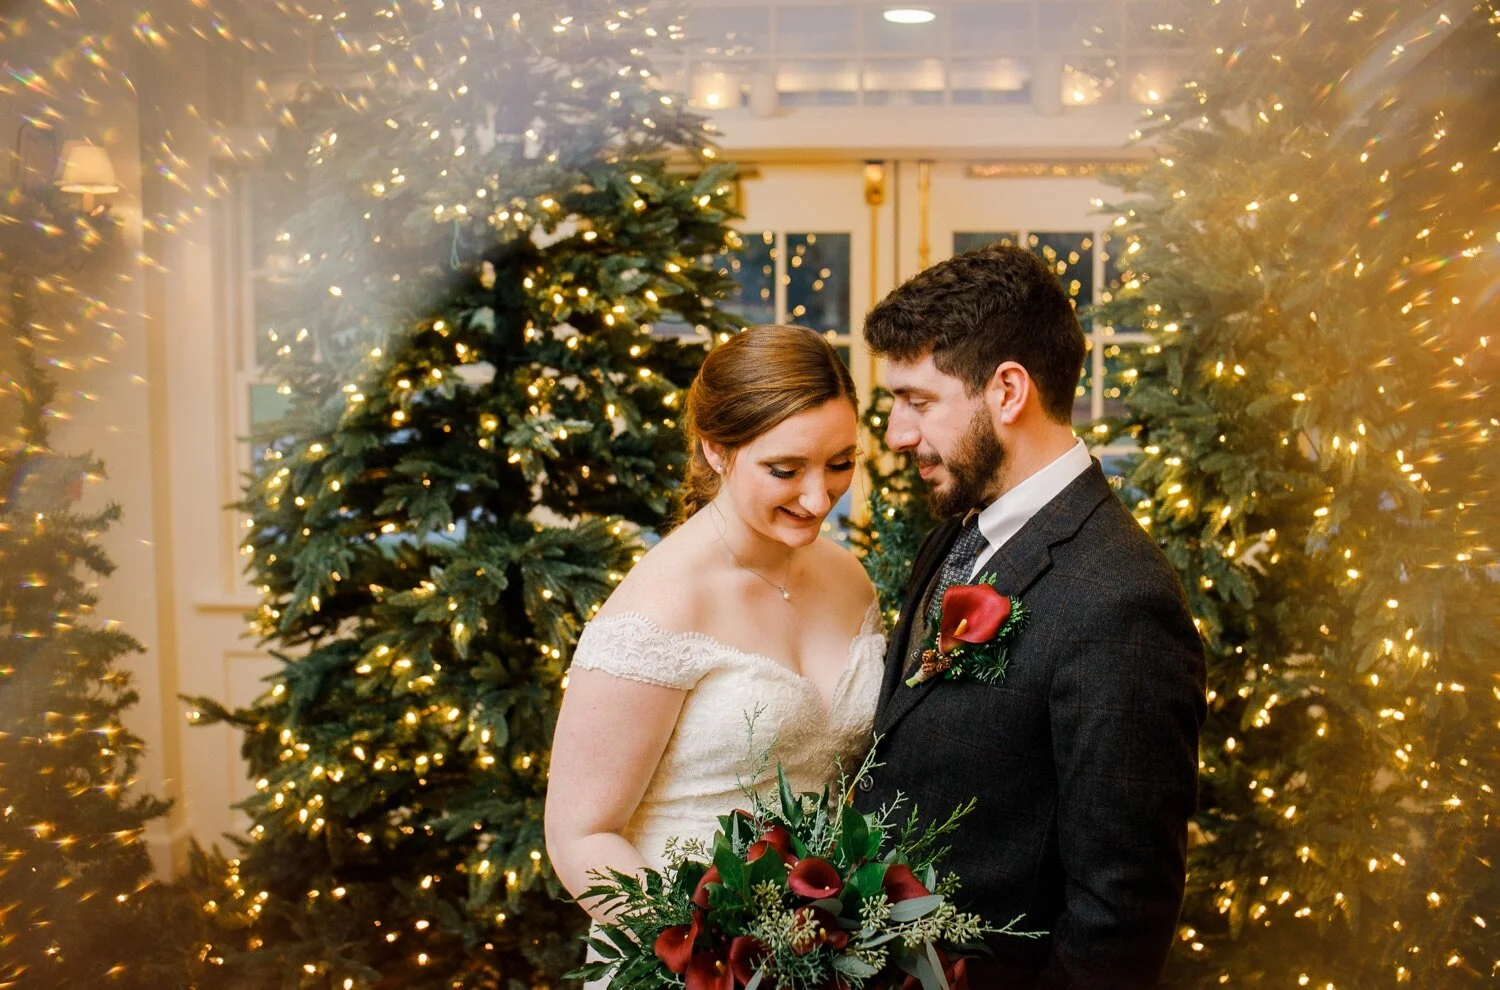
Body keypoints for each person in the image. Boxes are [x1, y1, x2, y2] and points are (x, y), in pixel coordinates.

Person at [854, 245, 1207, 989]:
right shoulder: (958, 530)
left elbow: (1119, 920)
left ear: (1008, 390)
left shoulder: (1121, 601)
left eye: (918, 401)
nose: (895, 434)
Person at [544, 324, 885, 986]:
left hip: (827, 958)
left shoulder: (849, 579)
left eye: (841, 462)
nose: (819, 499)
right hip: (686, 966)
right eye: (785, 471)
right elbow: (579, 837)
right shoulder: (659, 606)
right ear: (716, 449)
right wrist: (704, 956)